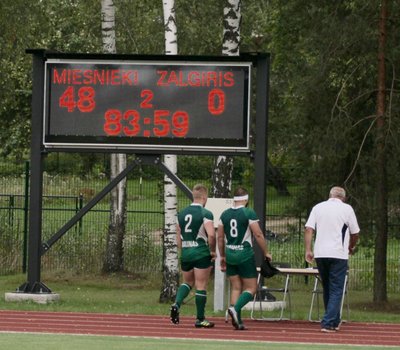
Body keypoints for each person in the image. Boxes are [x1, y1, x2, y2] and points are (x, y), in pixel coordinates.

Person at [304, 186, 360, 333]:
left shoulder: (318, 207)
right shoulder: (347, 209)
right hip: (338, 253)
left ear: (330, 195)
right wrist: (350, 246)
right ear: (344, 197)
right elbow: (355, 232)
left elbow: (309, 229)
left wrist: (308, 250)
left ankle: (334, 320)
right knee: (337, 289)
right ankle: (328, 322)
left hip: (321, 253)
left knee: (328, 287)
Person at [217, 186, 272, 330]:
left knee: (236, 287)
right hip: (245, 254)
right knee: (251, 288)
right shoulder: (248, 212)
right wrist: (266, 252)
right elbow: (258, 234)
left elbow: (220, 237)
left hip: (230, 253)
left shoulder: (224, 214)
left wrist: (222, 255)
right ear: (246, 199)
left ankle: (238, 321)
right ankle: (235, 309)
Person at [170, 184, 216, 328]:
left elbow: (178, 239)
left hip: (186, 252)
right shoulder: (206, 213)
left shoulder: (181, 214)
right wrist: (212, 251)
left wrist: (183, 249)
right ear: (204, 197)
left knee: (187, 282)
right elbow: (212, 235)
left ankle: (176, 304)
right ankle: (200, 319)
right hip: (201, 252)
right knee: (201, 285)